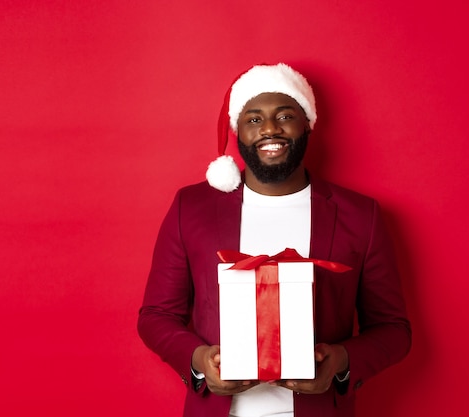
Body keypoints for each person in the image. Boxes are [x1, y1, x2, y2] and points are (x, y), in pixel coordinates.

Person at [138, 63, 411, 417]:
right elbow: (156, 315)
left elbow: (393, 329)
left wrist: (339, 362)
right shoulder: (191, 208)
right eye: (254, 119)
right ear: (238, 130)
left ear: (307, 123)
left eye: (285, 115)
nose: (269, 128)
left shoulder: (361, 215)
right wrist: (200, 361)